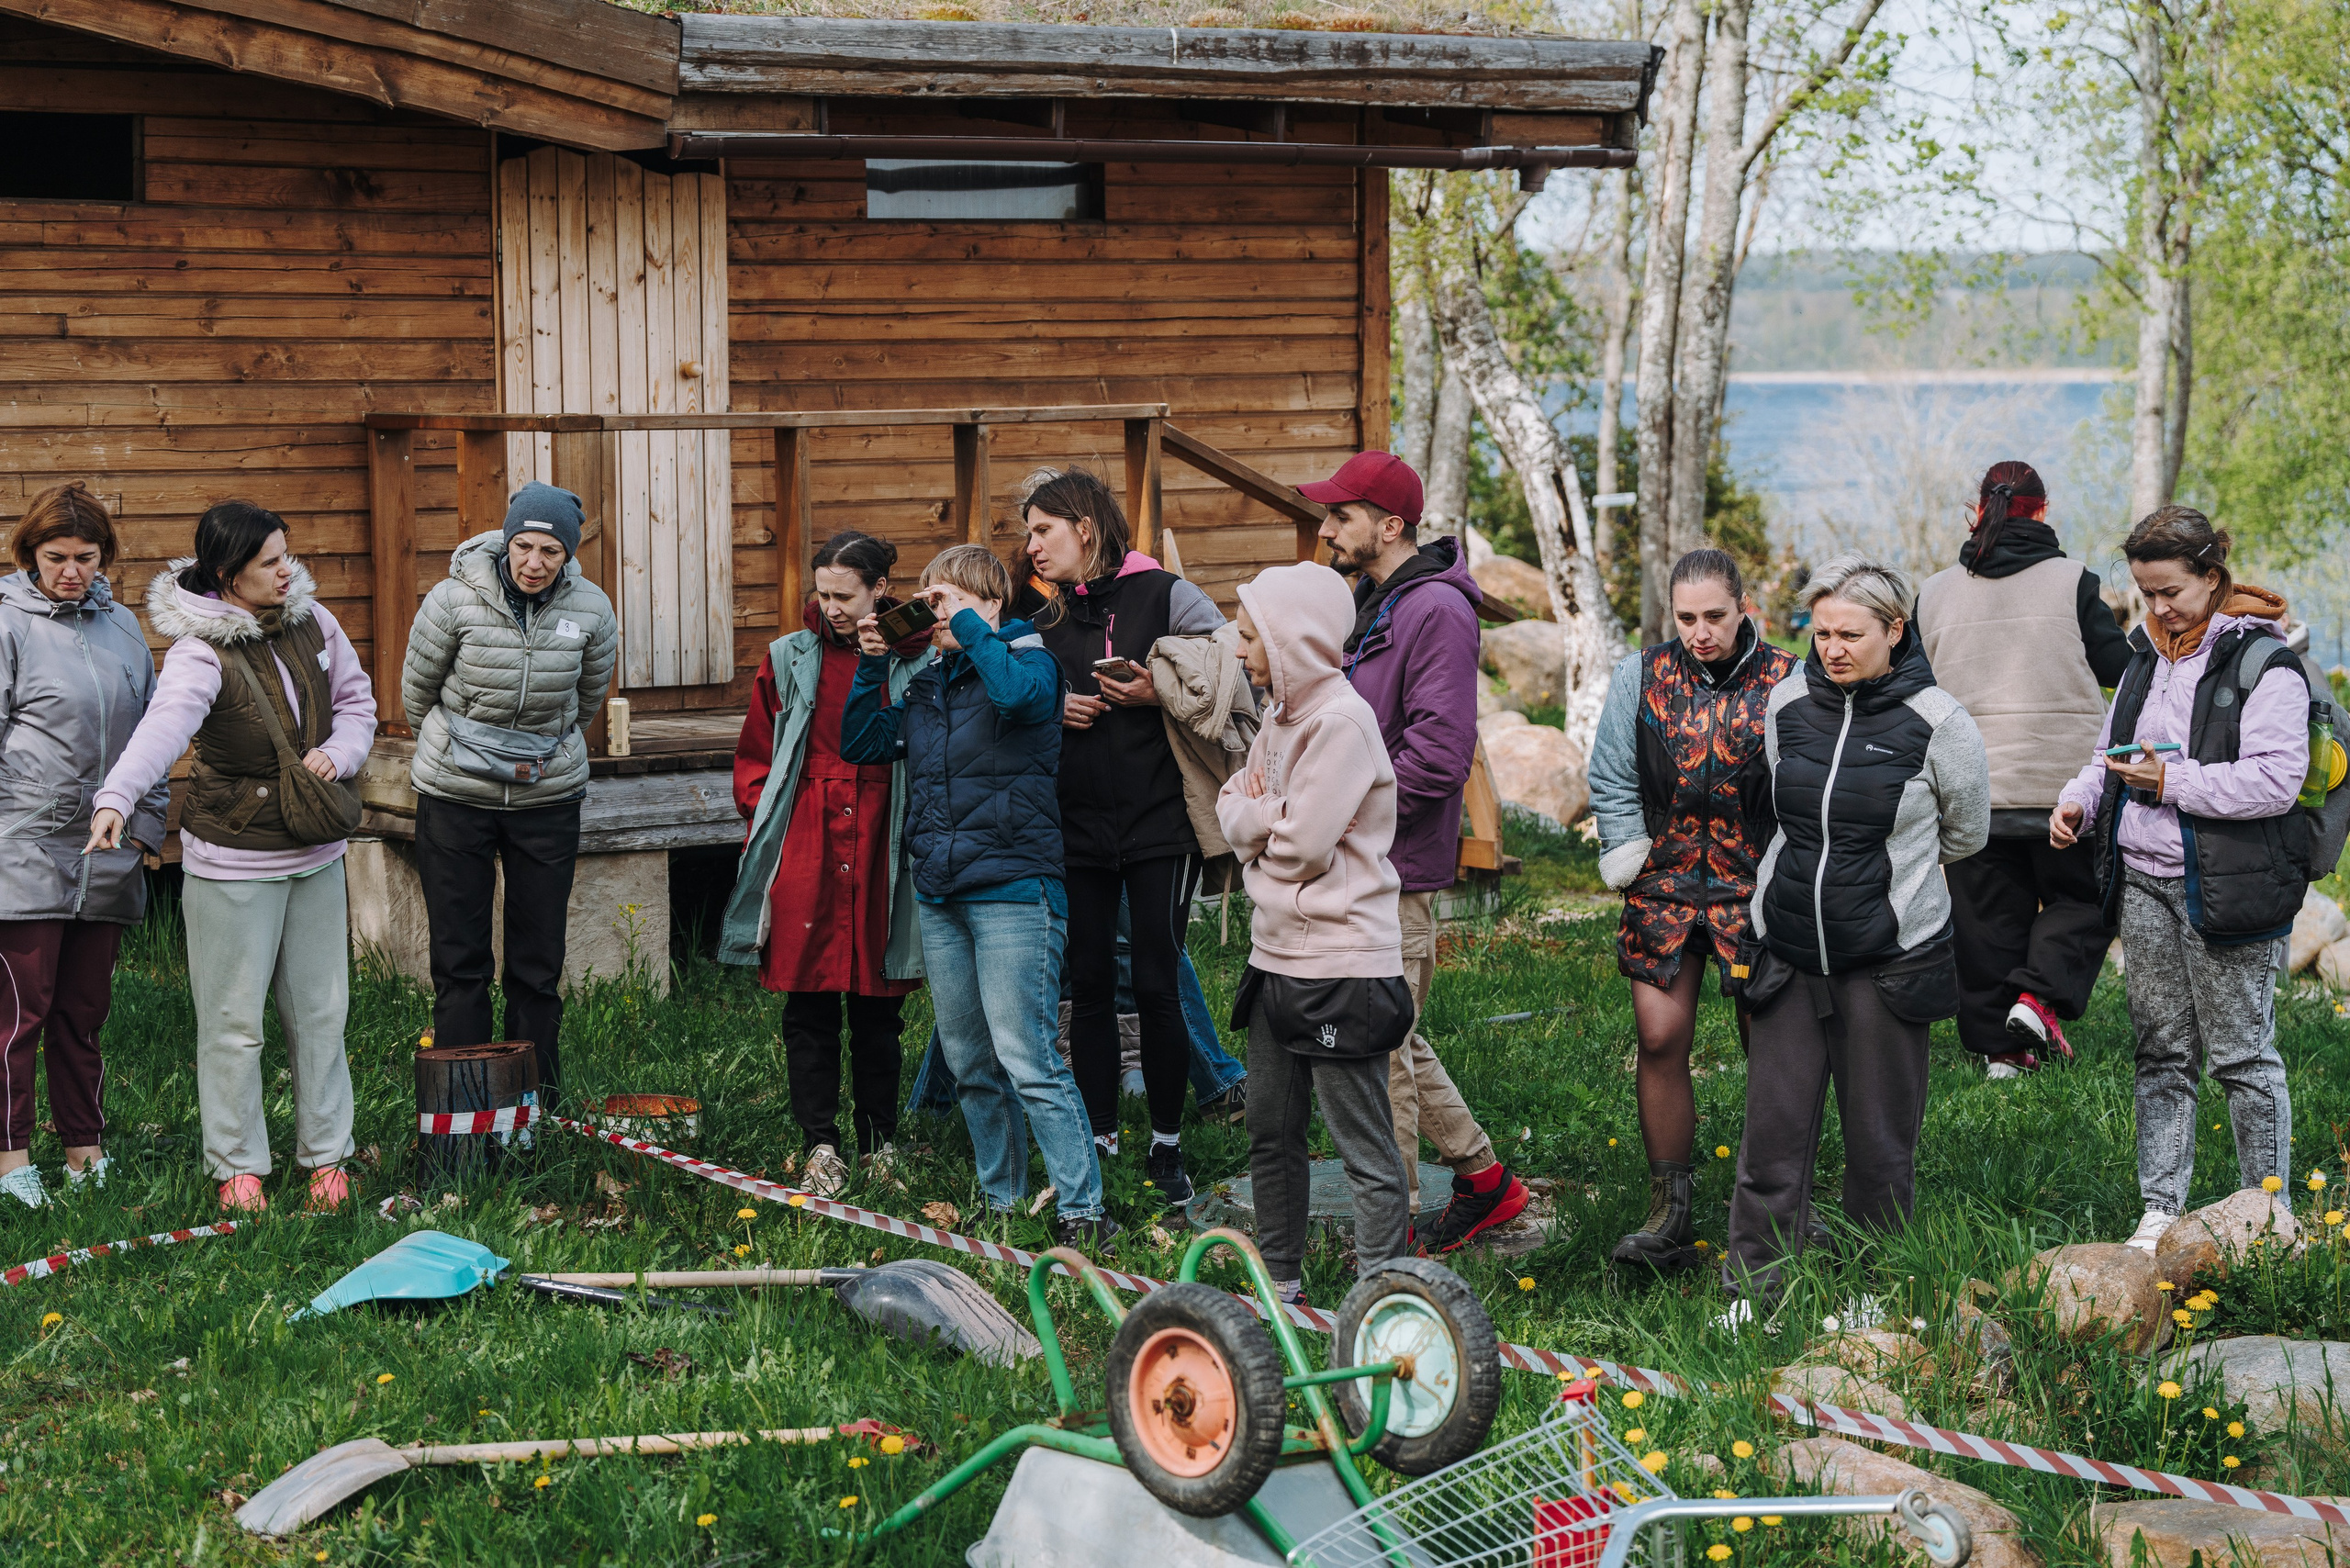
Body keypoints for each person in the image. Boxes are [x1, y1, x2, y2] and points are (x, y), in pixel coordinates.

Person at [90, 501, 375, 1214]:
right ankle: (239, 1166)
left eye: (288, 554)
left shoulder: (317, 622)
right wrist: (118, 797)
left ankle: (328, 1159)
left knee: (321, 1014)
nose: (289, 571)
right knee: (234, 1023)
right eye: (270, 563)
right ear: (228, 576)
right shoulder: (198, 652)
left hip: (315, 853)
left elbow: (358, 703)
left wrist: (341, 753)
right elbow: (164, 729)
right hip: (233, 865)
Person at [1724, 554, 1987, 1316]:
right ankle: (1754, 1292)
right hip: (1789, 954)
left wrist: (1890, 891)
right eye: (1822, 631)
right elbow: (1779, 811)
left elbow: (1965, 834)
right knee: (1770, 1141)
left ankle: (1874, 1293)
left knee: (1878, 1148)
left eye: (1850, 634)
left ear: (1895, 630)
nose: (1831, 648)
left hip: (1888, 963)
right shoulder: (1785, 706)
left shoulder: (1940, 723)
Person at [840, 543, 1116, 1250]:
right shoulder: (929, 686)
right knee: (968, 1060)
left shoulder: (1030, 663)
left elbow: (1018, 701)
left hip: (1016, 890)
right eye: (928, 602)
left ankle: (1084, 1208)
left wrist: (966, 626)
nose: (935, 614)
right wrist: (873, 661)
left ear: (991, 604)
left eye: (951, 599)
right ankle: (1003, 1198)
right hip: (941, 892)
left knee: (1028, 1056)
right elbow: (864, 743)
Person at [2052, 508, 2308, 1255]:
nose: (2159, 608)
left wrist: (2171, 782)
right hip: (2145, 882)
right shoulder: (2144, 658)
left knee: (2243, 1057)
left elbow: (2276, 782)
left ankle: (2271, 1215)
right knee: (2161, 1050)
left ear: (2212, 576)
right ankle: (2160, 1209)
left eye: (2171, 591)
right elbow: (2109, 752)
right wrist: (2080, 799)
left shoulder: (2264, 664)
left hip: (2228, 887)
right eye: (2145, 593)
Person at [1307, 451, 1528, 1254]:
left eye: (1341, 515)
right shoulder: (1374, 601)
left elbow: (1438, 754)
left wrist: (1337, 808)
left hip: (1391, 868)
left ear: (1390, 524)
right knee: (1392, 1034)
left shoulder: (1435, 610)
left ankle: (1388, 1247)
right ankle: (1486, 1183)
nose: (1327, 527)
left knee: (1378, 1060)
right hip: (1357, 865)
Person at [1589, 548, 1797, 1270]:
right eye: (1686, 618)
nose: (1700, 632)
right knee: (1658, 1038)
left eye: (1714, 616)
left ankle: (1770, 1207)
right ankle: (1669, 1209)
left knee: (1766, 1048)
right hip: (1666, 878)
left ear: (1744, 607)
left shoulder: (1787, 678)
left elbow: (1802, 787)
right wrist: (1630, 856)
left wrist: (1784, 873)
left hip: (1755, 886)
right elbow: (1611, 776)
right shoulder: (1638, 676)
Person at [1024, 468, 1225, 1209]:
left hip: (1159, 824)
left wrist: (1154, 691)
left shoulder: (1166, 595)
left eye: (1043, 530)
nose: (1032, 547)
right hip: (1075, 828)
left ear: (1084, 526)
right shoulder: (1042, 621)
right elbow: (1016, 712)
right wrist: (1055, 712)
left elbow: (1232, 677)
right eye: (1029, 534)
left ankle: (1168, 1144)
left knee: (1155, 980)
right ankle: (1101, 1134)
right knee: (1087, 985)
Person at [1218, 560, 1413, 1309]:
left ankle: (1381, 1299)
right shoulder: (1278, 718)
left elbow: (1300, 846)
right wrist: (1264, 816)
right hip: (1274, 957)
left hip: (1340, 963)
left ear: (1289, 638)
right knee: (1271, 1129)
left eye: (1248, 636)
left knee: (1362, 1145)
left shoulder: (1340, 723)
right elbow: (1233, 802)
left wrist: (1262, 821)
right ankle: (1281, 1284)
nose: (1239, 650)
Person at [722, 531, 929, 1196]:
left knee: (877, 1005)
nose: (832, 607)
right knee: (809, 1004)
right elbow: (756, 755)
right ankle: (819, 1144)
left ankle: (878, 1143)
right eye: (823, 594)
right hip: (809, 836)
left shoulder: (919, 659)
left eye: (846, 595)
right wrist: (770, 824)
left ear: (880, 592)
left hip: (882, 835)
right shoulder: (788, 656)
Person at [401, 483, 619, 1099]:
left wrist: (538, 754)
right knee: (460, 963)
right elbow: (418, 694)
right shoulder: (452, 600)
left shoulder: (594, 610)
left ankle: (532, 1104)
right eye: (523, 545)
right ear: (506, 542)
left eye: (550, 551)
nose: (533, 562)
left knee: (537, 965)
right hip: (454, 797)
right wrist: (460, 754)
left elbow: (586, 701)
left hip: (546, 801)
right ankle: (465, 1110)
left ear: (567, 555)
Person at [1917, 461, 2132, 1078]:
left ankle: (2002, 1054)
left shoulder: (1932, 592)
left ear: (1978, 510)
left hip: (1972, 789)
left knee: (1985, 925)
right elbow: (2119, 668)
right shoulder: (2073, 581)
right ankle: (2038, 995)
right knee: (2087, 898)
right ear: (2042, 509)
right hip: (2065, 790)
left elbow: (1914, 686)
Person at [0, 484, 166, 1209]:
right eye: (56, 557)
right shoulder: (6, 623)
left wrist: (150, 827)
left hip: (109, 849)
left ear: (106, 559)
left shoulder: (124, 625)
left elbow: (153, 738)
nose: (72, 571)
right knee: (18, 1018)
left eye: (87, 558)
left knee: (84, 1012)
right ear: (29, 555)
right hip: (24, 845)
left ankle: (84, 1149)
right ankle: (11, 1161)